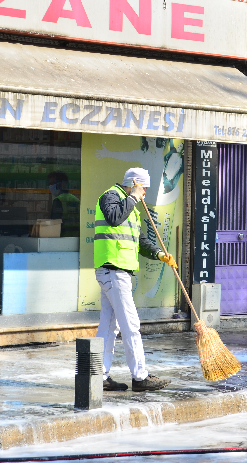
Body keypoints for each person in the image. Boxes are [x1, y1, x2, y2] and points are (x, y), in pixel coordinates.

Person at [94, 167, 177, 391]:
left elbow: (139, 241)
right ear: (134, 184)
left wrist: (160, 254)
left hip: (118, 272)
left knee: (108, 327)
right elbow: (112, 218)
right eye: (144, 189)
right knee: (131, 325)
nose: (145, 194)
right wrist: (132, 197)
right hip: (114, 270)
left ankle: (99, 376)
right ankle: (140, 377)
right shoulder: (111, 196)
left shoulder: (132, 208)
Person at [48, 172, 80, 237]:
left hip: (62, 238)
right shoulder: (76, 200)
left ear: (59, 184)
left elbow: (55, 224)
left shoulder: (58, 200)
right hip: (76, 238)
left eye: (52, 184)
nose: (50, 187)